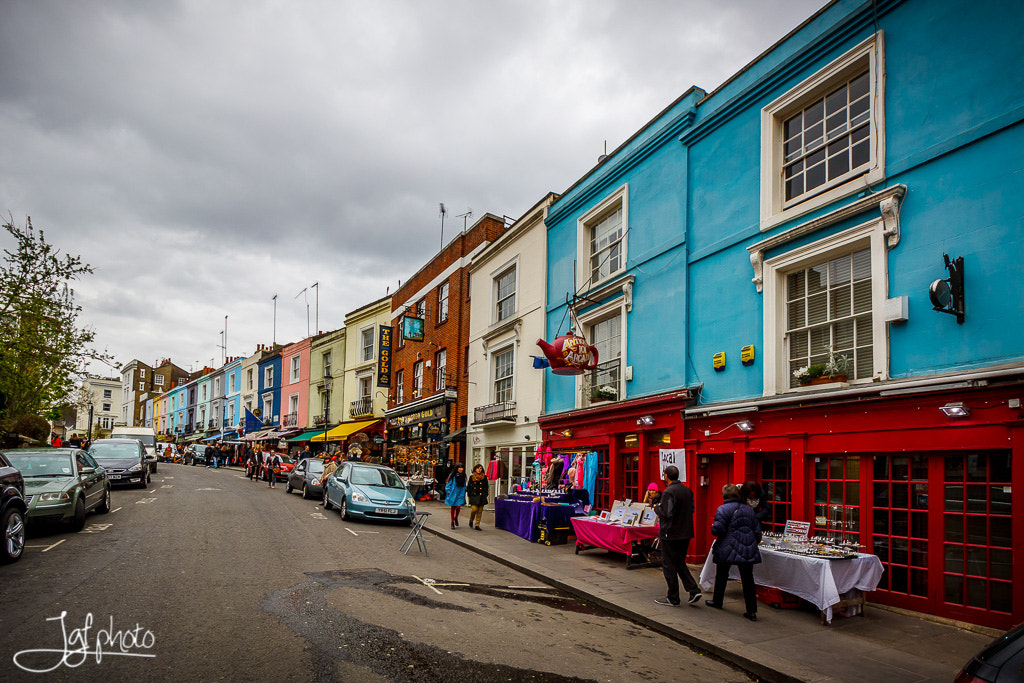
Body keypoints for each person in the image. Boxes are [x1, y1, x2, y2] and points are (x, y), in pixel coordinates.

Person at [706, 484, 762, 622]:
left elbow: (717, 530)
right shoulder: (749, 510)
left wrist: (714, 528)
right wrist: (751, 542)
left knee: (722, 575)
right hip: (747, 547)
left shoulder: (723, 509)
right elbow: (757, 532)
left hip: (727, 546)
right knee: (748, 580)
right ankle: (752, 611)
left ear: (724, 495)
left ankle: (717, 601)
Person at [653, 465, 702, 607]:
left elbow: (666, 513)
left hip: (670, 533)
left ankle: (673, 597)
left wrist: (657, 508)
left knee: (668, 564)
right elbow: (691, 509)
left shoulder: (669, 492)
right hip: (685, 532)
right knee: (680, 562)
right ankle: (693, 590)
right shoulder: (687, 490)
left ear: (666, 476)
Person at [444, 463, 467, 529]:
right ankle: (452, 521)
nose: (461, 469)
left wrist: (465, 490)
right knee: (453, 507)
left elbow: (465, 484)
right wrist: (448, 492)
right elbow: (448, 485)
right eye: (459, 467)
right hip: (453, 493)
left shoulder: (464, 476)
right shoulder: (452, 476)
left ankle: (456, 517)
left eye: (462, 467)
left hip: (461, 493)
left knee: (458, 507)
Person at [466, 464, 488, 530]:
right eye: (478, 468)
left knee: (480, 511)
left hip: (482, 496)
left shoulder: (484, 477)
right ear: (475, 469)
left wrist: (485, 494)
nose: (479, 470)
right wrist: (469, 495)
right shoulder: (472, 477)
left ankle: (477, 524)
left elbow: (486, 487)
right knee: (474, 509)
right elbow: (469, 487)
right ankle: (471, 520)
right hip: (474, 496)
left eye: (480, 468)